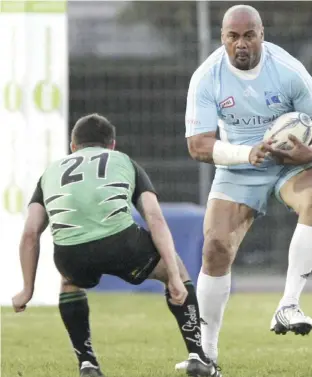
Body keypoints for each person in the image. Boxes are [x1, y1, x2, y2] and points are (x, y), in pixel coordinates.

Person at [182, 3, 312, 367]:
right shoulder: (207, 77)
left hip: (288, 163)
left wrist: (310, 150)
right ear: (222, 38)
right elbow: (197, 144)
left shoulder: (287, 70)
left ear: (261, 35)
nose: (241, 44)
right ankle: (207, 355)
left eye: (249, 35)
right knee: (215, 247)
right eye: (233, 36)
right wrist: (244, 154)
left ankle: (289, 304)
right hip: (239, 163)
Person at [11, 114, 221, 377]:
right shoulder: (124, 161)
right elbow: (154, 218)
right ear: (112, 145)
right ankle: (198, 358)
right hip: (121, 244)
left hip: (70, 253)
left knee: (69, 279)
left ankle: (87, 364)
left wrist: (27, 289)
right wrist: (174, 277)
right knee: (174, 268)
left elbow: (30, 233)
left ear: (73, 146)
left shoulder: (50, 172)